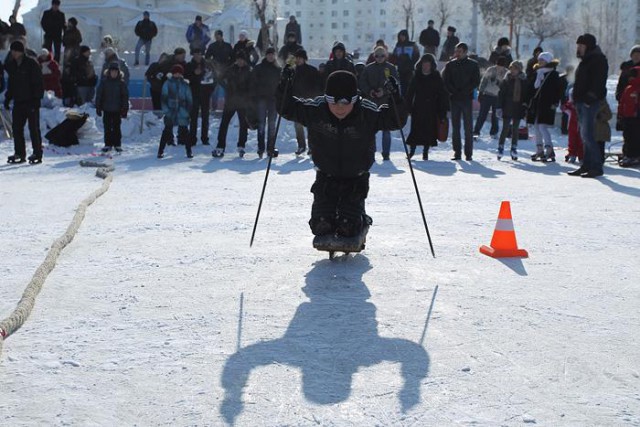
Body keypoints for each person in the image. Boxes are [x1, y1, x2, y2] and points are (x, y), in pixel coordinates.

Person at [276, 69, 408, 238]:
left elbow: (395, 120)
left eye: (346, 102)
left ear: (355, 98)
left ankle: (360, 219)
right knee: (321, 225)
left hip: (356, 179)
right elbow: (286, 109)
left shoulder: (366, 113)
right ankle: (329, 217)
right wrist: (284, 86)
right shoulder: (316, 111)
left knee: (348, 228)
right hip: (326, 177)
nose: (339, 108)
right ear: (326, 98)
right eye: (332, 101)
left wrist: (395, 97)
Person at [568, 34, 609, 178]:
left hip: (589, 103)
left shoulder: (598, 60)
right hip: (581, 102)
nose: (578, 48)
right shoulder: (586, 60)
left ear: (588, 46)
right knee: (584, 136)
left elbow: (599, 82)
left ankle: (596, 167)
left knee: (588, 136)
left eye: (581, 46)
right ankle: (586, 165)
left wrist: (589, 98)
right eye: (578, 45)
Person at [4, 41, 44, 164]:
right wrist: (8, 98)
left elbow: (38, 82)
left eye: (15, 51)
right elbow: (11, 85)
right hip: (19, 101)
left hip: (31, 101)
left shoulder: (31, 63)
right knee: (16, 128)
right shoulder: (12, 65)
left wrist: (37, 99)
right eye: (12, 51)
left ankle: (37, 153)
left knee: (33, 129)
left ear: (21, 51)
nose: (13, 53)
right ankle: (19, 153)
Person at [405, 53, 449, 160]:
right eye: (424, 64)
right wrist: (408, 107)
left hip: (431, 107)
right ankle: (412, 151)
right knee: (415, 130)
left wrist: (442, 110)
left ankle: (425, 152)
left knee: (429, 131)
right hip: (418, 107)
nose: (425, 66)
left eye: (427, 64)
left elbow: (442, 94)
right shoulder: (417, 76)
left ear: (431, 65)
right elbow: (410, 93)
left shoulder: (436, 76)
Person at [359, 46, 399, 160]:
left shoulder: (391, 68)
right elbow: (362, 82)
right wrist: (369, 91)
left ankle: (386, 153)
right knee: (371, 129)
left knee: (386, 129)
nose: (380, 58)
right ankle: (372, 151)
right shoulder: (368, 68)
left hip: (386, 102)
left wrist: (384, 91)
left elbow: (395, 83)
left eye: (382, 55)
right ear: (374, 56)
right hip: (371, 102)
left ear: (386, 56)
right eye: (377, 56)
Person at [443, 42, 480, 161]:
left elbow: (476, 81)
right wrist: (453, 91)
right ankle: (457, 152)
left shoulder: (473, 65)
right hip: (454, 99)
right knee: (455, 127)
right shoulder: (450, 65)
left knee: (468, 128)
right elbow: (446, 81)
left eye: (459, 51)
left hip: (466, 99)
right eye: (456, 51)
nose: (457, 54)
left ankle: (468, 154)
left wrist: (465, 91)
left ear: (465, 52)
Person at [212, 52, 252, 158]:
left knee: (243, 124)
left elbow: (252, 85)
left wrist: (247, 95)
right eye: (238, 59)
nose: (240, 62)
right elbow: (219, 78)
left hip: (243, 101)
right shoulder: (231, 69)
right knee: (224, 123)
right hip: (231, 101)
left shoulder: (248, 70)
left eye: (242, 60)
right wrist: (227, 88)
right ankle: (220, 145)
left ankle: (241, 145)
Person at [526, 51, 562, 162]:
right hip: (537, 104)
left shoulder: (553, 74)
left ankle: (549, 150)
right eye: (539, 60)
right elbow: (532, 88)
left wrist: (555, 102)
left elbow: (558, 90)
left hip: (547, 104)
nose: (540, 62)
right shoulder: (537, 73)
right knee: (536, 127)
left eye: (543, 60)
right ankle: (539, 150)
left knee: (542, 127)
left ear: (548, 61)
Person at [250, 47, 281, 157]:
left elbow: (281, 85)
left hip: (273, 99)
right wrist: (254, 96)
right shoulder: (259, 68)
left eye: (272, 54)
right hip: (261, 98)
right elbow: (252, 83)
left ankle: (271, 147)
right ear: (266, 55)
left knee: (272, 124)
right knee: (261, 123)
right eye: (269, 54)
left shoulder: (278, 69)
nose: (270, 56)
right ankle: (260, 147)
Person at [290, 49, 321, 155]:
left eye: (300, 58)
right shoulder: (292, 71)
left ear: (304, 59)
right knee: (298, 125)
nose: (298, 60)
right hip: (296, 101)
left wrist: (315, 97)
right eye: (296, 58)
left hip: (310, 100)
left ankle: (312, 146)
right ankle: (301, 146)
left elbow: (317, 85)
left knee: (310, 125)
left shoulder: (312, 70)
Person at [158, 64, 193, 159]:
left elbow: (189, 99)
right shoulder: (167, 83)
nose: (177, 74)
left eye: (179, 73)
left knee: (185, 132)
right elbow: (163, 98)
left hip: (182, 111)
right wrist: (166, 111)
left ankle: (189, 151)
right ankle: (160, 151)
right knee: (167, 131)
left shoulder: (185, 85)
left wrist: (187, 111)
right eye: (175, 73)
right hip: (171, 110)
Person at [496, 60, 529, 161]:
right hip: (507, 106)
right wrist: (499, 107)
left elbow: (526, 94)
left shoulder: (524, 80)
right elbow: (501, 94)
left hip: (518, 107)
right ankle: (500, 147)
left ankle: (514, 148)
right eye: (511, 68)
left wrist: (525, 105)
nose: (512, 70)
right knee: (505, 128)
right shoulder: (506, 80)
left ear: (519, 70)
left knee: (515, 129)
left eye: (514, 68)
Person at [95, 62, 128, 153]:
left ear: (118, 72)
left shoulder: (121, 83)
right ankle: (108, 144)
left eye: (115, 71)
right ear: (109, 72)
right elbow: (99, 95)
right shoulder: (104, 82)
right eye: (112, 71)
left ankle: (117, 144)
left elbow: (125, 96)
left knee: (117, 127)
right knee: (107, 127)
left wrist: (125, 108)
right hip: (107, 109)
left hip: (117, 109)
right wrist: (98, 107)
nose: (114, 73)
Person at [185, 48, 215, 145]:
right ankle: (192, 138)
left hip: (205, 94)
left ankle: (204, 138)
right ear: (193, 55)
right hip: (194, 93)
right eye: (195, 54)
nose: (197, 56)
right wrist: (194, 74)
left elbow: (214, 78)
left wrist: (211, 90)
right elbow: (186, 78)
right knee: (193, 117)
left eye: (199, 54)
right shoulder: (189, 65)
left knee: (205, 116)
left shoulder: (208, 64)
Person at [473, 56, 508, 138]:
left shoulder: (506, 72)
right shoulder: (491, 70)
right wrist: (481, 92)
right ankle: (476, 131)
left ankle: (494, 132)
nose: (499, 68)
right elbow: (483, 81)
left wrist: (500, 84)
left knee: (495, 116)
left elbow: (506, 85)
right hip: (487, 95)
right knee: (482, 114)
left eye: (501, 66)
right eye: (498, 65)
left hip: (498, 96)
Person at [616, 66, 640, 167]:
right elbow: (622, 102)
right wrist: (620, 114)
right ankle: (628, 155)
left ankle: (634, 156)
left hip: (636, 117)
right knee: (628, 137)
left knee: (635, 137)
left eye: (633, 76)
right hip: (627, 117)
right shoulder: (628, 88)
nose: (630, 78)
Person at [391, 29, 420, 96]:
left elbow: (417, 55)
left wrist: (413, 63)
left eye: (403, 36)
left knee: (409, 84)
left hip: (409, 68)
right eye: (400, 36)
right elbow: (394, 55)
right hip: (401, 69)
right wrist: (396, 62)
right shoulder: (398, 45)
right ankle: (403, 98)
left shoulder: (412, 44)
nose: (402, 38)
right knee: (402, 85)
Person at [559, 65, 575, 134]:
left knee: (573, 114)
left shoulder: (575, 78)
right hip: (564, 98)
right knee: (565, 114)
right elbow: (559, 89)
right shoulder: (562, 78)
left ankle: (571, 129)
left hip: (572, 99)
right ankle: (564, 129)